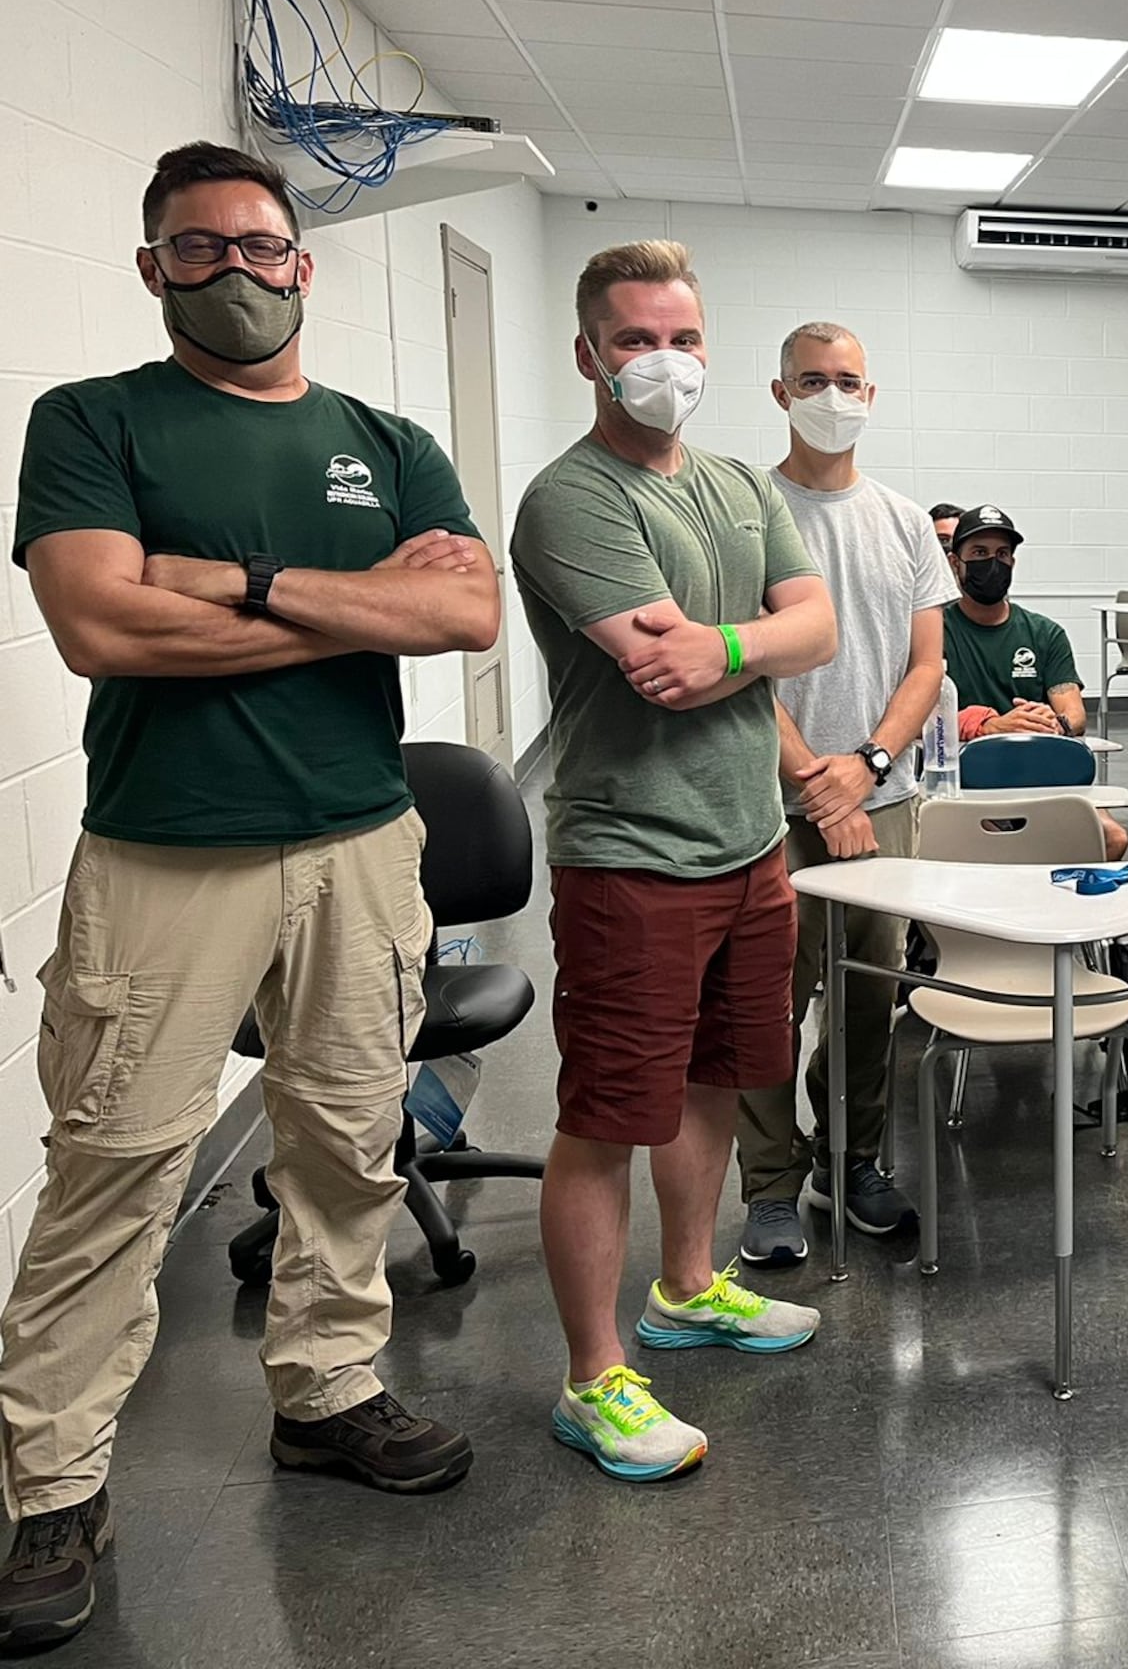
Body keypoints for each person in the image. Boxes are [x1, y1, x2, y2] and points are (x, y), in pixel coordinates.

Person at [0, 142, 498, 1644]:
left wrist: (232, 582)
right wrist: (356, 610)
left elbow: (465, 610)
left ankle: (328, 1391)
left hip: (359, 845)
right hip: (165, 853)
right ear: (155, 272)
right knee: (119, 1170)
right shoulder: (92, 423)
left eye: (260, 246)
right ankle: (50, 1484)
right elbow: (100, 626)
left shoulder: (388, 436)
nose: (236, 271)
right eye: (198, 250)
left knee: (348, 1141)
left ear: (304, 262)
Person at [512, 244, 838, 1482]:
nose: (665, 362)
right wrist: (755, 641)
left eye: (685, 339)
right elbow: (663, 665)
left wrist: (732, 643)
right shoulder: (574, 499)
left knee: (715, 1079)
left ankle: (688, 1289)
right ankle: (595, 1378)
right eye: (638, 340)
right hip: (632, 855)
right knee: (606, 1116)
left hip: (749, 842)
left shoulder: (742, 483)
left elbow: (810, 633)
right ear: (588, 353)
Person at [732, 322, 954, 1268]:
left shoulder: (902, 522)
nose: (834, 395)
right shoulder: (741, 513)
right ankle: (771, 1188)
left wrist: (864, 765)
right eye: (813, 380)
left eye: (849, 381)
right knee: (768, 999)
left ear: (874, 394)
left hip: (882, 793)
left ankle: (851, 1159)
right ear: (780, 393)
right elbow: (742, 665)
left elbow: (927, 664)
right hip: (766, 805)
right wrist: (820, 786)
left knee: (872, 994)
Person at [942, 503, 1128, 860]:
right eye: (979, 553)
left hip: (1038, 776)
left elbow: (1073, 716)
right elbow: (921, 717)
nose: (992, 563)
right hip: (965, 785)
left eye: (1002, 554)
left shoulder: (1045, 633)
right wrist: (989, 726)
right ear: (955, 562)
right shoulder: (933, 630)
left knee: (1112, 838)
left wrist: (1047, 721)